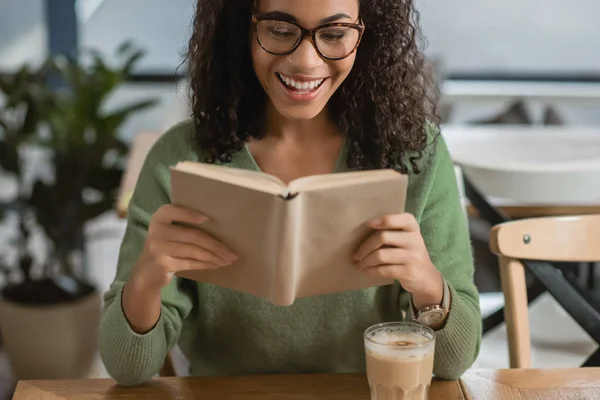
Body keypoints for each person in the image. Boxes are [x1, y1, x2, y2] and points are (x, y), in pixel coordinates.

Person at [99, 0, 482, 386]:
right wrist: (147, 278)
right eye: (280, 31)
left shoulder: (417, 155)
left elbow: (455, 361)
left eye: (334, 35)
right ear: (242, 30)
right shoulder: (178, 160)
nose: (305, 62)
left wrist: (427, 285)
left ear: (367, 34)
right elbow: (127, 368)